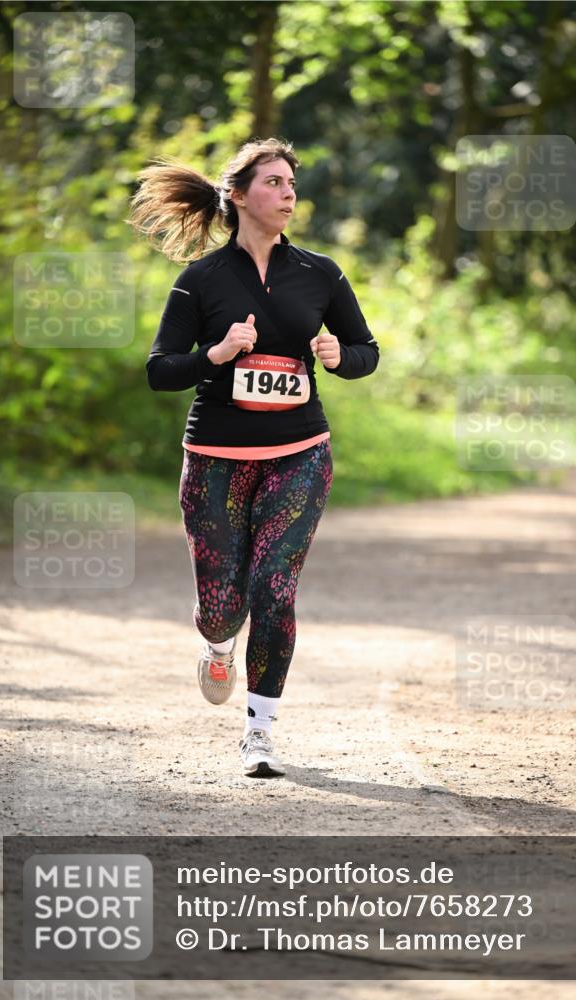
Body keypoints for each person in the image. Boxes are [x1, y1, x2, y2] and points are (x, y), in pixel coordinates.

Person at [128, 138, 379, 777]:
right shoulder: (201, 279)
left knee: (274, 588)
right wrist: (215, 354)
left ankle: (260, 733)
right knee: (223, 603)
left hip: (299, 453)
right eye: (273, 182)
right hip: (214, 458)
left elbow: (364, 349)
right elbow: (160, 372)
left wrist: (338, 359)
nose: (288, 192)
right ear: (238, 195)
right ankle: (218, 643)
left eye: (292, 182)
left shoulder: (321, 273)